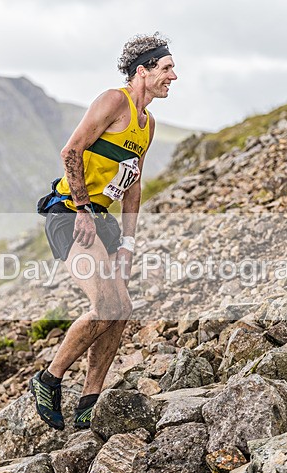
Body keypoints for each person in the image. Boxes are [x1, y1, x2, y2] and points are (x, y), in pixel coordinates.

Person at [31, 33, 177, 429]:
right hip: (70, 214)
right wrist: (82, 209)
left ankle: (90, 399)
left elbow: (134, 185)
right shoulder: (114, 101)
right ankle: (49, 378)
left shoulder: (147, 124)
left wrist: (128, 243)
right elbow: (71, 152)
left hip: (102, 219)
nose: (173, 76)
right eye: (166, 68)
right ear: (142, 71)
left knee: (122, 309)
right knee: (105, 305)